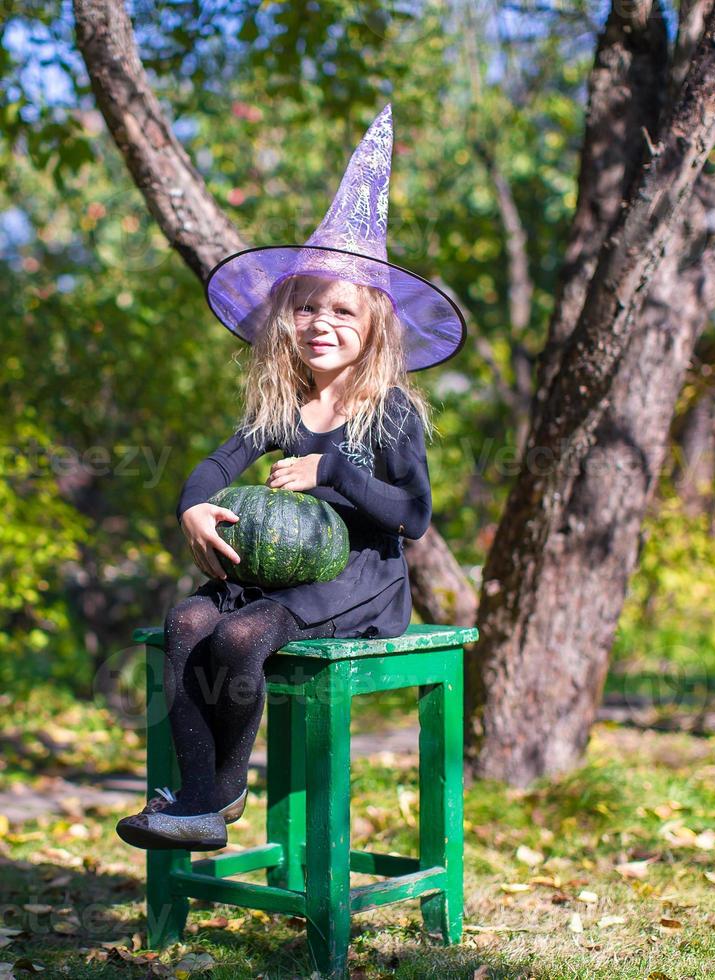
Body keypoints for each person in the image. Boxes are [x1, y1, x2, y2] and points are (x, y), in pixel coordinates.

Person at [116, 104, 466, 851]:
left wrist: (331, 469)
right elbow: (219, 465)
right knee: (185, 624)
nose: (322, 322)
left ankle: (218, 793)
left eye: (342, 309)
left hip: (358, 582)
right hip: (276, 574)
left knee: (239, 636)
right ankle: (201, 797)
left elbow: (413, 516)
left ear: (374, 325)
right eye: (306, 307)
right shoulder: (281, 403)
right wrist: (192, 510)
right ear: (285, 318)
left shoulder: (391, 412)